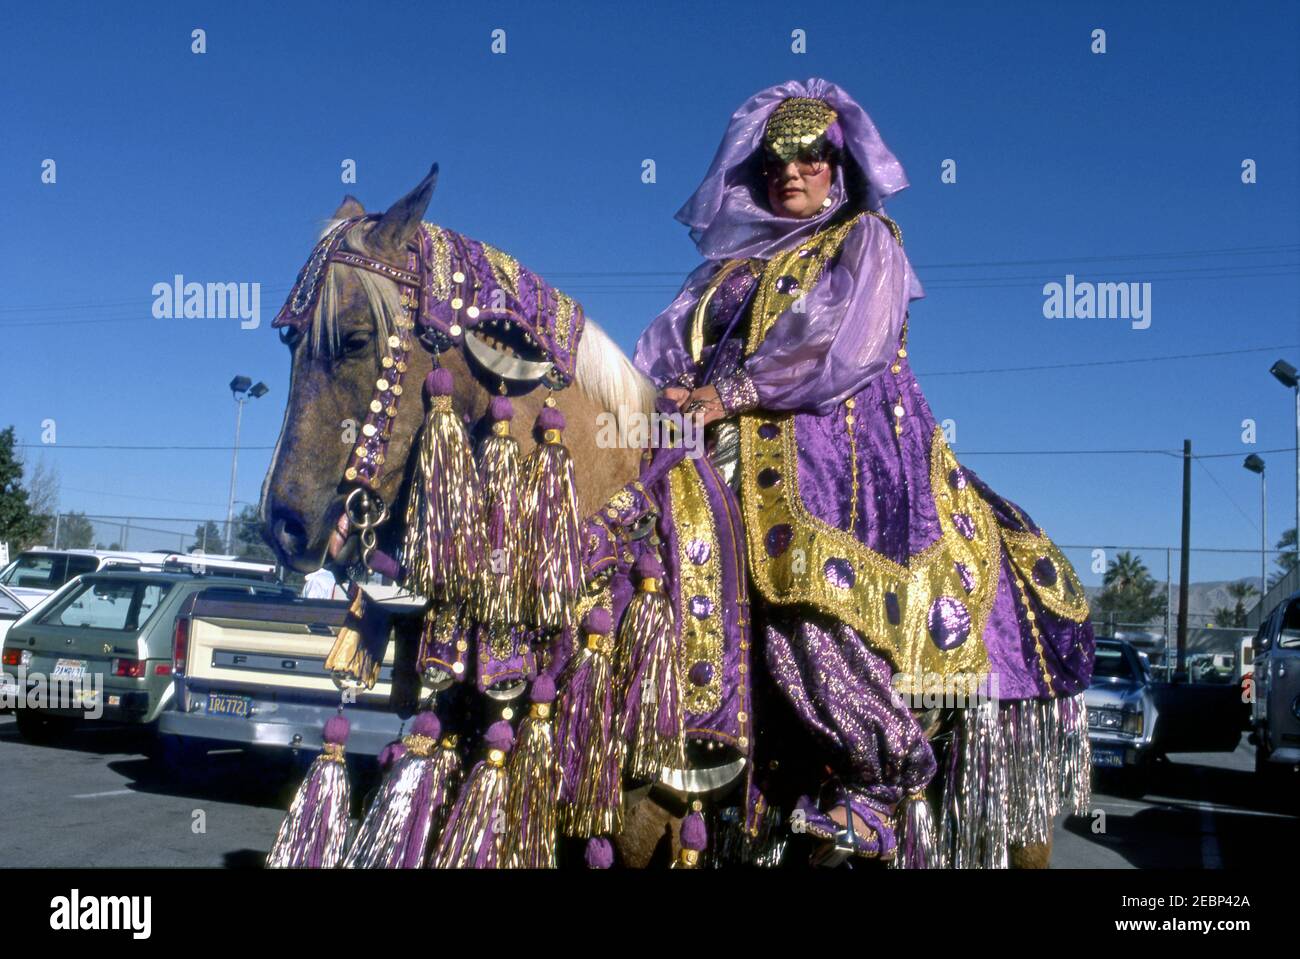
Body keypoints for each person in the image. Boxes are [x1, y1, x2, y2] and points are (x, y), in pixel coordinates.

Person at [633, 79, 1093, 861]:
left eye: (811, 157)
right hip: (708, 431)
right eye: (775, 158)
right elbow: (662, 351)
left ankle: (874, 775)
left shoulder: (864, 237)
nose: (792, 171)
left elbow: (841, 344)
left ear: (837, 166)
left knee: (793, 562)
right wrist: (652, 399)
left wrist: (729, 393)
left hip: (830, 432)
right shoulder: (717, 275)